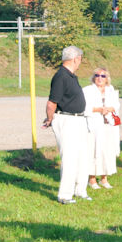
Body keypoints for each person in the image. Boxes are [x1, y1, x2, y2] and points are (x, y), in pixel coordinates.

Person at [42, 45, 91, 204]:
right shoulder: (61, 76)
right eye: (80, 59)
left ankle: (80, 189)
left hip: (78, 119)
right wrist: (50, 119)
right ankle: (65, 194)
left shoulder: (71, 76)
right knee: (70, 158)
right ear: (76, 58)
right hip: (67, 120)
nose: (80, 62)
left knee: (83, 156)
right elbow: (51, 103)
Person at [83, 68, 121, 190]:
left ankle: (104, 178)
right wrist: (99, 109)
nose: (100, 78)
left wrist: (109, 109)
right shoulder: (87, 90)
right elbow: (84, 107)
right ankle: (92, 179)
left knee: (107, 151)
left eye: (103, 76)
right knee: (94, 151)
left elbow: (117, 105)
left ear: (107, 78)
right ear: (93, 77)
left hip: (108, 125)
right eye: (97, 75)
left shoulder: (111, 90)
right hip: (94, 125)